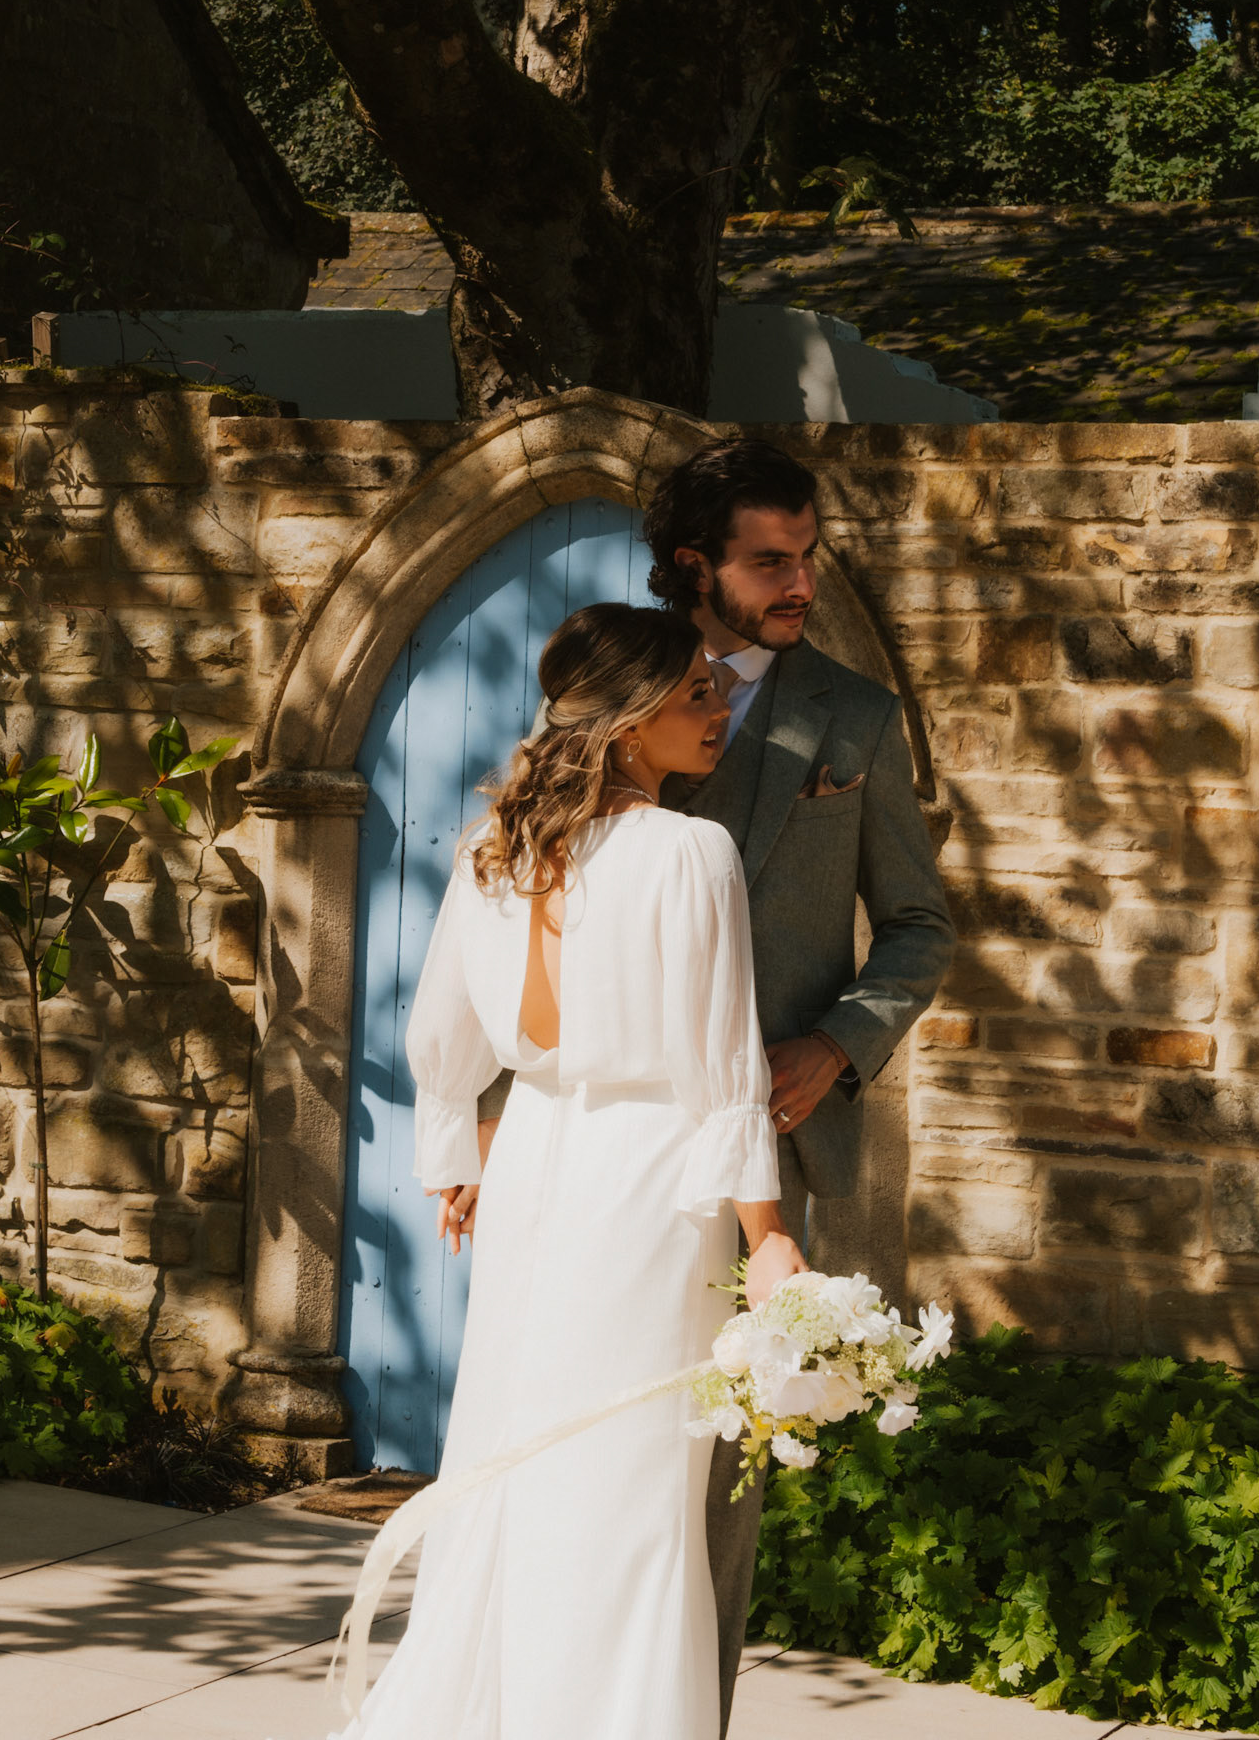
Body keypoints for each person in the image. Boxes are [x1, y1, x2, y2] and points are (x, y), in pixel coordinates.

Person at [480, 436, 956, 1732]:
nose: (800, 582)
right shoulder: (608, 682)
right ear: (695, 564)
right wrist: (488, 1120)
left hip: (767, 1150)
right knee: (578, 1464)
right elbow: (533, 906)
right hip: (598, 1164)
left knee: (710, 1500)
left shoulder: (854, 716)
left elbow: (919, 925)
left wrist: (838, 1041)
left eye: (809, 556)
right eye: (769, 561)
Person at [326, 603, 808, 1740]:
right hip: (651, 1178)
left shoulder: (494, 848)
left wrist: (456, 1161)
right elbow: (723, 1071)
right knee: (629, 1475)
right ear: (630, 719)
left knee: (518, 1444)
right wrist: (770, 1235)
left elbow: (441, 1038)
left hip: (537, 1156)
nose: (721, 705)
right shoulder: (690, 850)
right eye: (697, 690)